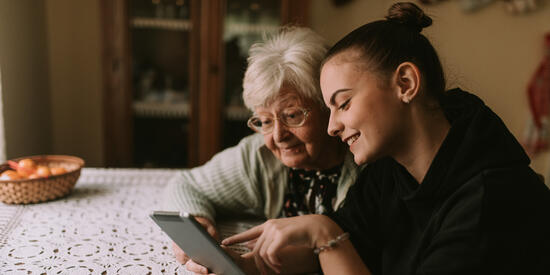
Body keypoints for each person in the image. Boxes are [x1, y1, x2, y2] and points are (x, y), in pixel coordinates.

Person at [223, 2, 550, 275]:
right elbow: (340, 246)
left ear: (405, 83)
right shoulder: (389, 172)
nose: (332, 127)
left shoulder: (490, 204)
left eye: (344, 103)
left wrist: (325, 232)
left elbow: (332, 242)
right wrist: (235, 265)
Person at [162, 26, 360, 274]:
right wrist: (198, 221)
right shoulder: (259, 156)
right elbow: (186, 184)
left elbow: (363, 246)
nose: (278, 136)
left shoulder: (363, 161)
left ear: (327, 106)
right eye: (265, 120)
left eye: (292, 115)